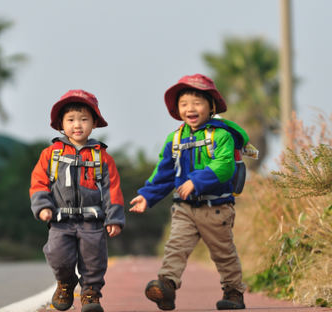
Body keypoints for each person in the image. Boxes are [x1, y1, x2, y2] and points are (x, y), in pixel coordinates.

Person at [130, 73, 248, 310]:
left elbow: (224, 166)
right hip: (184, 208)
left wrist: (196, 181)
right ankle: (166, 287)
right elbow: (163, 172)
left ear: (211, 106)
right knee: (176, 247)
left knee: (223, 254)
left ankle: (233, 292)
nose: (190, 108)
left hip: (216, 209)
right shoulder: (175, 139)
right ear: (177, 109)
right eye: (184, 104)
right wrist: (147, 195)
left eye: (197, 103)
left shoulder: (221, 135)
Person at [30, 89, 125, 312]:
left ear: (94, 124)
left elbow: (112, 188)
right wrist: (42, 206)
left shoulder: (101, 157)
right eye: (71, 120)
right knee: (57, 255)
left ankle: (91, 294)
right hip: (60, 221)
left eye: (84, 119)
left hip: (92, 222)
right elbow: (38, 182)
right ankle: (65, 283)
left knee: (94, 261)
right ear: (61, 124)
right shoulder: (50, 154)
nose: (77, 125)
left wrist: (114, 218)